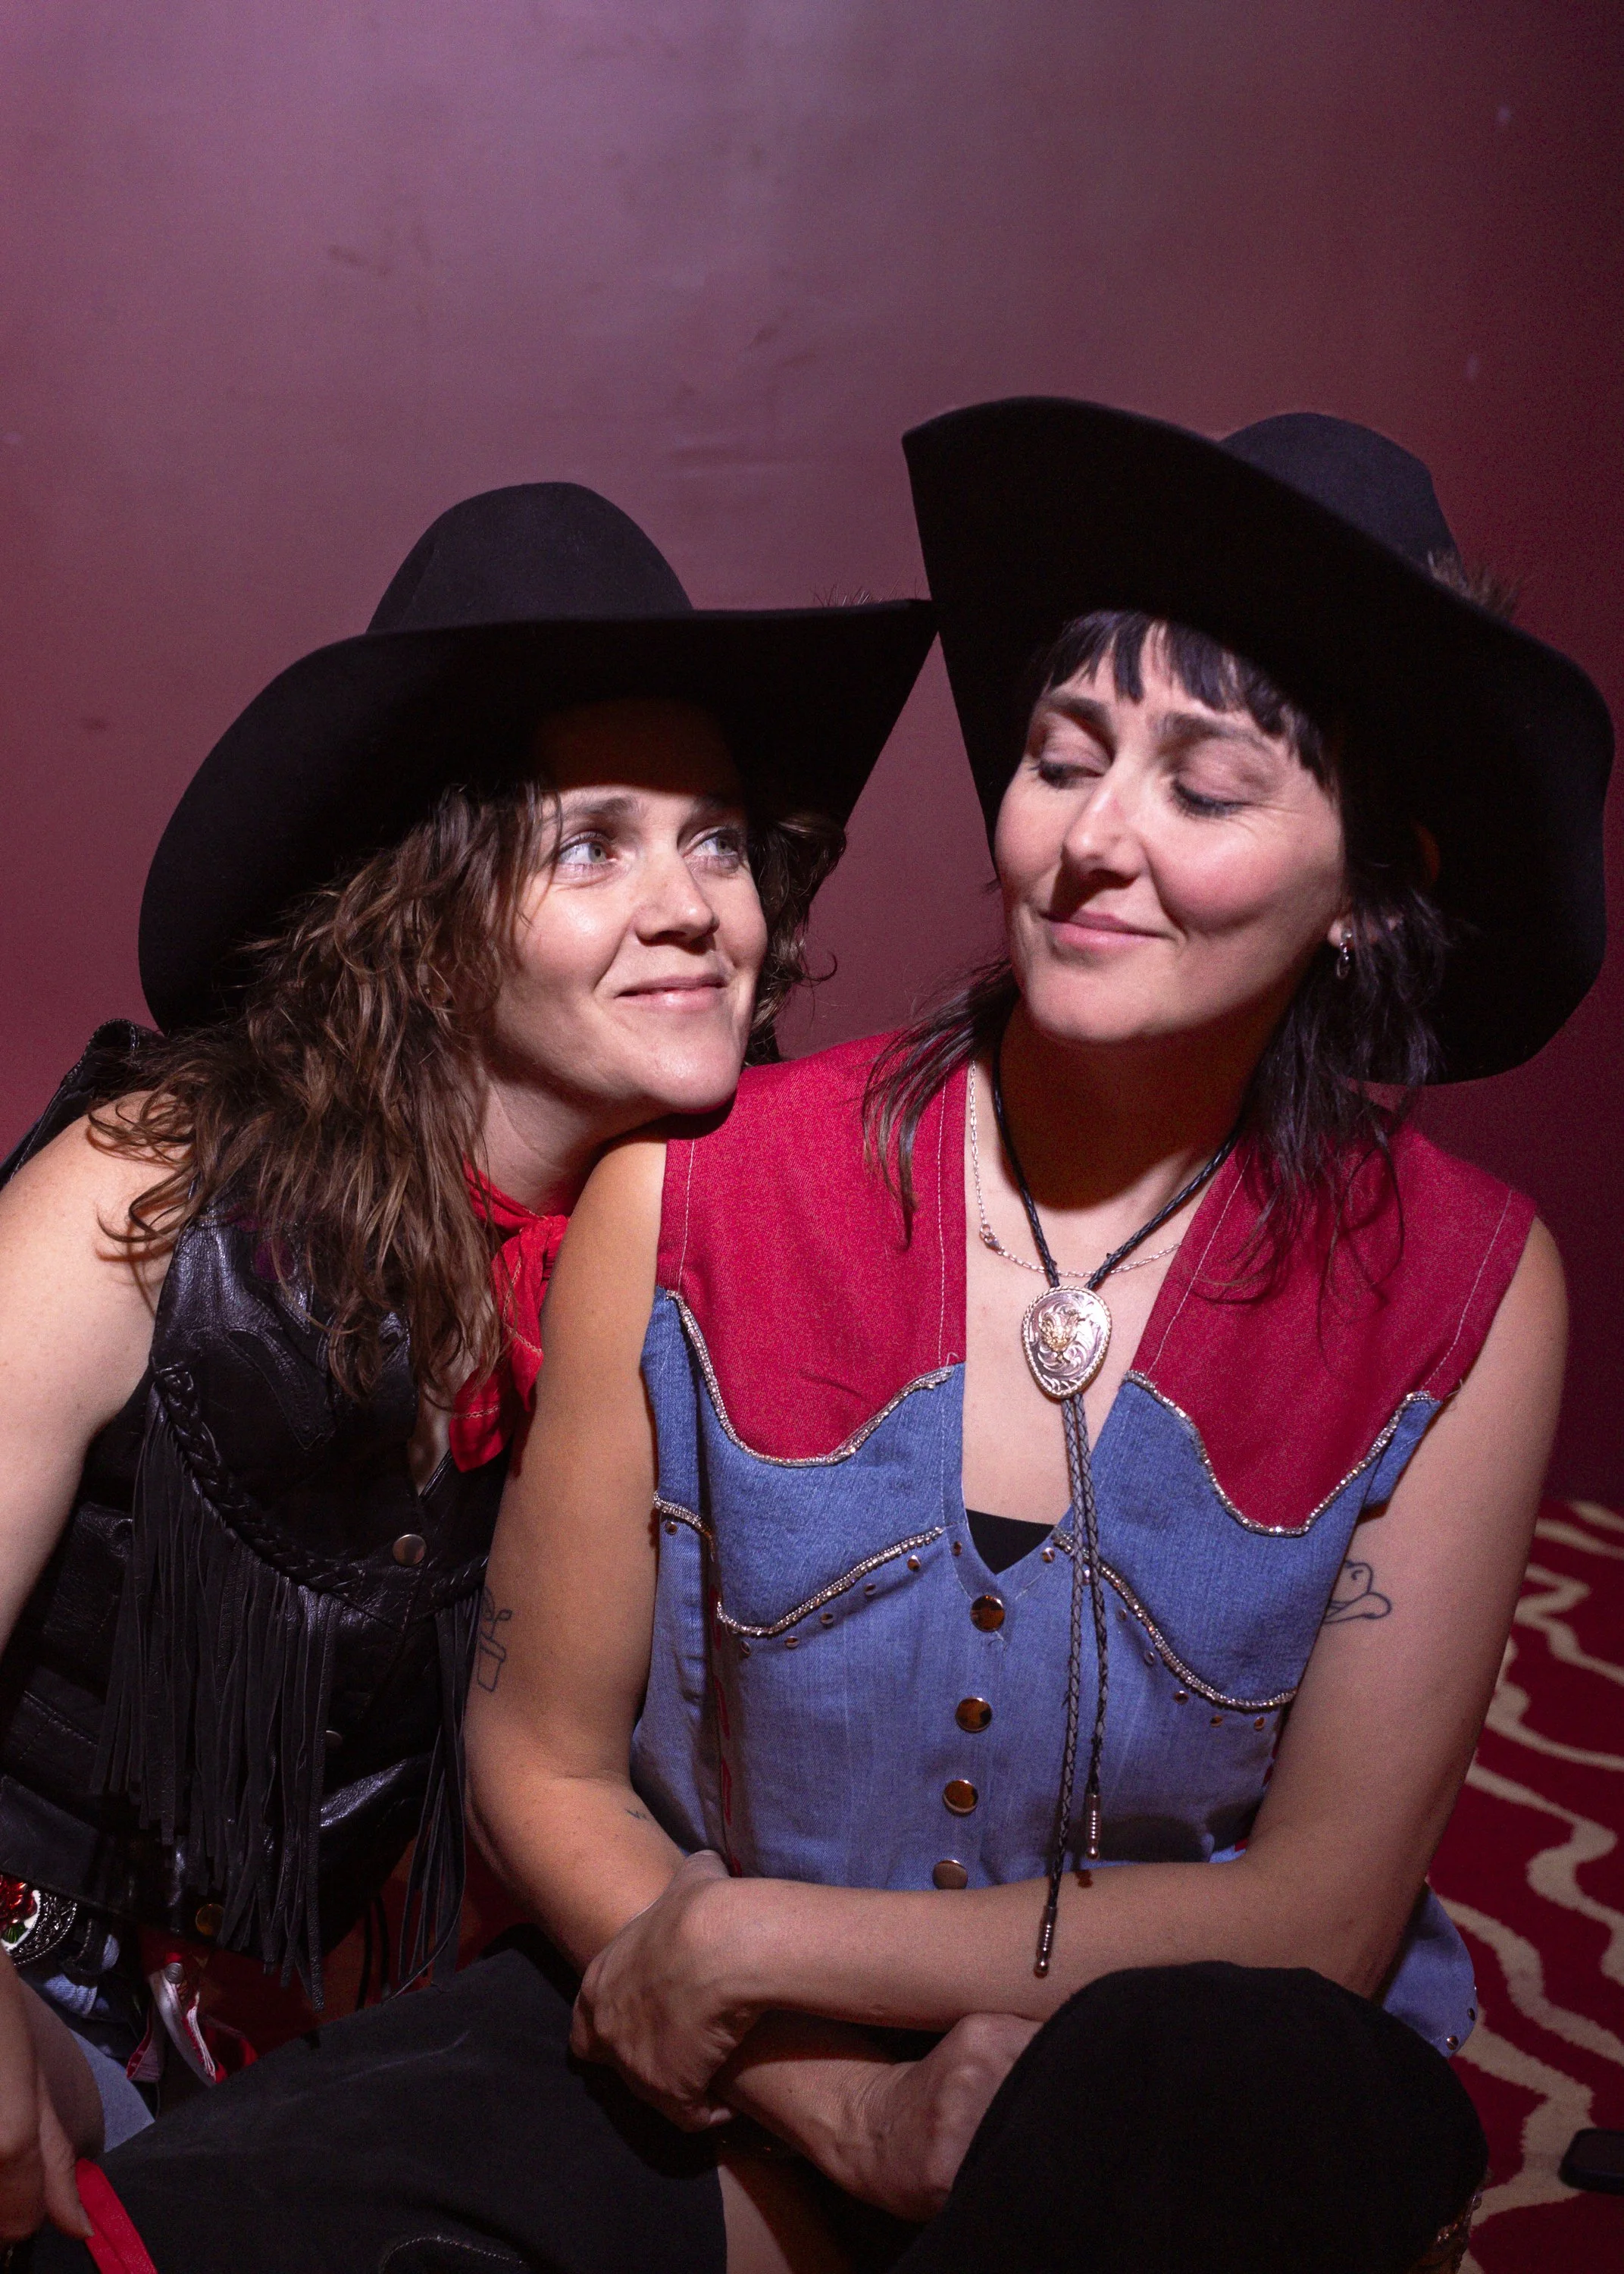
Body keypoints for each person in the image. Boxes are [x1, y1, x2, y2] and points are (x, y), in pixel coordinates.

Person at [54, 403, 1610, 2274]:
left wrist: (759, 1941)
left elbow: (1319, 1920)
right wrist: (808, 2074)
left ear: (1366, 886)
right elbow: (538, 1768)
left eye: (1202, 790)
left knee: (1230, 2096)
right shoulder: (698, 1190)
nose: (1098, 840)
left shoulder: (1463, 1283)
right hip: (687, 2038)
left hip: (1141, 2078)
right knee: (201, 2224)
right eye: (1060, 756)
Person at [0, 480, 933, 2253]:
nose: (690, 908)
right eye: (593, 844)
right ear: (424, 919)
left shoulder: (710, 1270)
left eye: (720, 841)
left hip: (275, 2060)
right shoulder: (154, 1181)